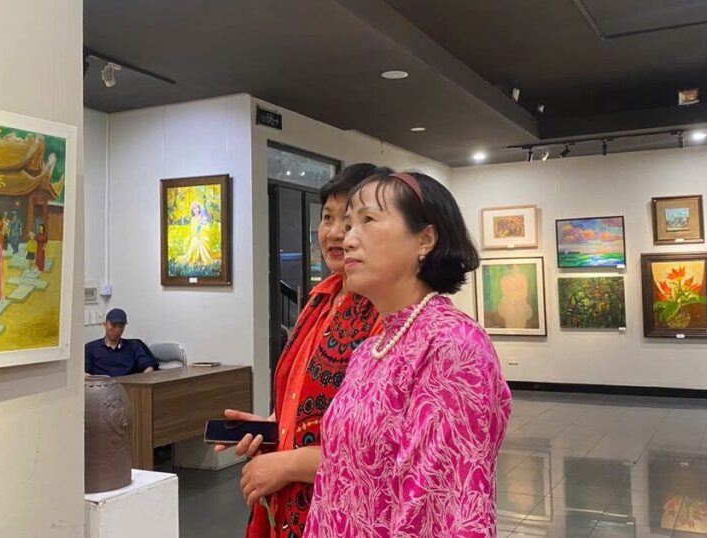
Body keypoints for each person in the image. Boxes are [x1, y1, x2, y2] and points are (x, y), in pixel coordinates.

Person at [303, 171, 512, 537]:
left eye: (368, 220)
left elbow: (441, 512)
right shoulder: (370, 351)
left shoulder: (453, 346)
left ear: (425, 239)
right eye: (348, 226)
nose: (347, 239)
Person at [217, 164, 385, 538]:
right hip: (291, 504)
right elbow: (300, 396)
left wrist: (287, 464)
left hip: (341, 510)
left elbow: (380, 448)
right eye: (327, 218)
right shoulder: (320, 298)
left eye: (352, 220)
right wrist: (271, 428)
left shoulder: (384, 310)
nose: (336, 232)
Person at [84, 308, 159, 377]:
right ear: (105, 325)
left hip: (130, 384)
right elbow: (84, 373)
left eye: (121, 326)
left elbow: (149, 367)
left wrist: (141, 380)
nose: (117, 330)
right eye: (113, 326)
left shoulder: (134, 346)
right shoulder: (90, 348)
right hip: (102, 385)